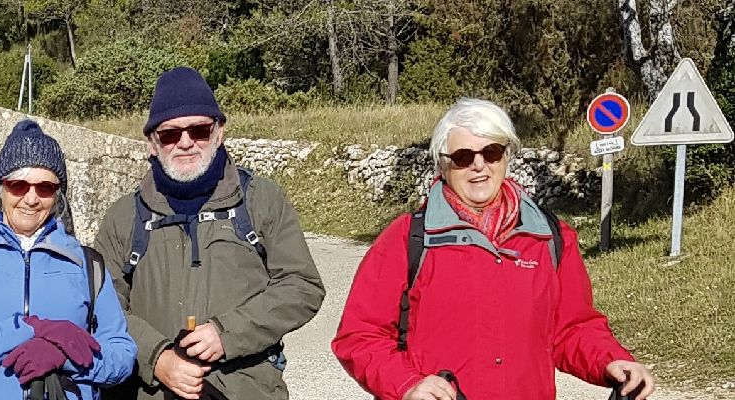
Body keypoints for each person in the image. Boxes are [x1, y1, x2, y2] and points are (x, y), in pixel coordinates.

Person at [332, 98, 656, 400]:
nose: (478, 166)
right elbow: (359, 336)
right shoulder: (407, 238)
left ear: (506, 157)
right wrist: (407, 384)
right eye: (462, 157)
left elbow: (573, 328)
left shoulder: (551, 238)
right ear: (442, 165)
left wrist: (612, 361)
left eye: (491, 153)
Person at [95, 67, 324, 400]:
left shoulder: (262, 201)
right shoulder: (123, 217)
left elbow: (303, 286)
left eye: (199, 130)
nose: (185, 143)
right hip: (152, 390)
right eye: (170, 134)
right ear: (152, 143)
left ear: (219, 132)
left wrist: (226, 334)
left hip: (245, 389)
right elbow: (102, 304)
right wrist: (156, 358)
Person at [0, 120, 137, 400]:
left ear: (58, 195)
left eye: (45, 187)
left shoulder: (87, 264)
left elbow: (122, 355)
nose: (31, 198)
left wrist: (64, 358)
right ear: (0, 189)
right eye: (18, 185)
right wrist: (28, 329)